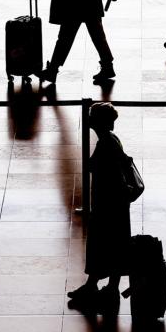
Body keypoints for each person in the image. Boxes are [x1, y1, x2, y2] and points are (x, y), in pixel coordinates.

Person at [67, 102, 131, 314]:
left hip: (108, 203)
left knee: (101, 242)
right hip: (116, 203)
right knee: (114, 243)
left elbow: (96, 166)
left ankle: (95, 285)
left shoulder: (106, 143)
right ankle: (107, 287)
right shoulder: (111, 140)